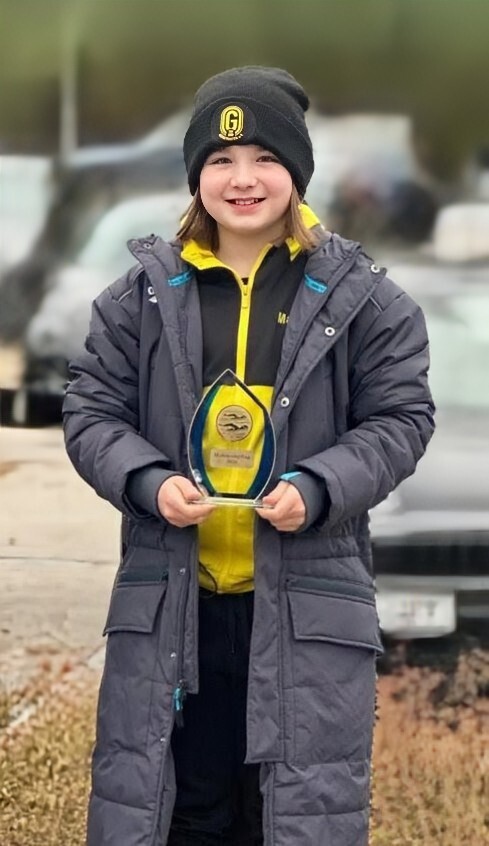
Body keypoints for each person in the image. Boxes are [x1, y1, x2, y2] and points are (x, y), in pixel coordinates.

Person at [63, 66, 435, 846]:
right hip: (173, 616)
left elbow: (400, 419)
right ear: (195, 175)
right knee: (174, 813)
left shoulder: (366, 300)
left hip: (305, 618)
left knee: (289, 819)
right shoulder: (136, 298)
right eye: (221, 160)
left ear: (297, 172)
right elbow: (91, 411)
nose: (242, 179)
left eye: (266, 158)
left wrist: (320, 486)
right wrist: (146, 480)